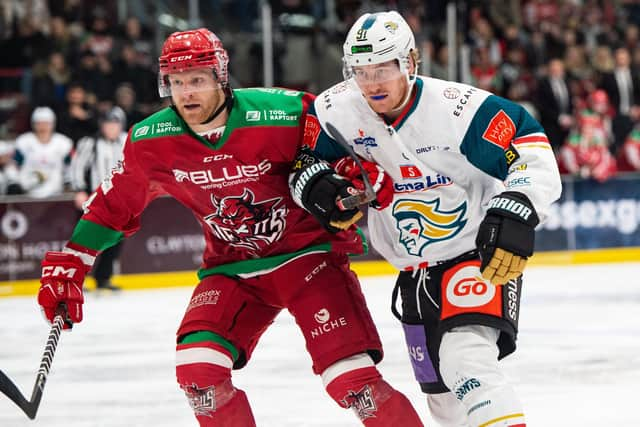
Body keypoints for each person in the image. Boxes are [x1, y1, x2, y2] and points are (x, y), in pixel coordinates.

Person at [36, 28, 424, 427]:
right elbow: (112, 205)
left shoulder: (284, 112)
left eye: (197, 80)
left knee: (352, 383)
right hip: (232, 269)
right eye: (177, 82)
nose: (187, 93)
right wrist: (73, 260)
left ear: (220, 77)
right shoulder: (150, 141)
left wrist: (361, 177)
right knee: (198, 377)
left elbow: (347, 152)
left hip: (307, 259)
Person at [290, 11, 562, 427]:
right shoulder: (333, 110)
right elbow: (304, 165)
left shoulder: (458, 110)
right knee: (444, 404)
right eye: (361, 71)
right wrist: (320, 191)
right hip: (413, 272)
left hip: (475, 255)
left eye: (383, 68)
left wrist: (517, 206)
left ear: (410, 63)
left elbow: (530, 146)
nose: (372, 83)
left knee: (467, 362)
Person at [70, 106, 128, 291]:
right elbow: (78, 167)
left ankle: (104, 278)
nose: (112, 127)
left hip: (119, 200)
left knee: (115, 240)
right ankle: (78, 278)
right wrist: (79, 189)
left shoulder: (127, 140)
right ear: (101, 125)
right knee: (87, 240)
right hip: (95, 198)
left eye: (115, 124)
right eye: (108, 123)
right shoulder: (90, 142)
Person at [5, 106, 73, 198]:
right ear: (33, 124)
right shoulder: (24, 142)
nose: (42, 127)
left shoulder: (63, 143)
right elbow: (12, 165)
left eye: (46, 123)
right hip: (27, 193)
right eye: (39, 123)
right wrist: (14, 182)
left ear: (52, 124)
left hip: (56, 194)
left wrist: (68, 182)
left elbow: (70, 166)